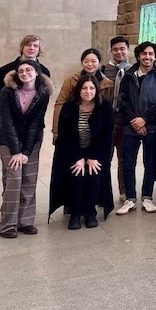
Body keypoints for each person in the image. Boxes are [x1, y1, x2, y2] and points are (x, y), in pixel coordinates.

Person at [0, 59, 53, 238]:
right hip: (7, 140)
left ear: (36, 72)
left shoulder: (43, 93)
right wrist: (17, 151)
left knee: (29, 179)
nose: (25, 73)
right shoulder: (7, 91)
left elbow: (36, 123)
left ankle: (25, 221)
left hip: (32, 140)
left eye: (29, 70)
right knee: (14, 179)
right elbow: (6, 122)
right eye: (21, 71)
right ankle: (7, 225)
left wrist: (26, 152)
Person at [49, 74, 115, 229]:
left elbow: (106, 136)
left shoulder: (104, 106)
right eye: (84, 88)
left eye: (92, 88)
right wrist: (78, 157)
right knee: (76, 173)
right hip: (73, 150)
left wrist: (93, 156)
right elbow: (65, 137)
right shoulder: (69, 107)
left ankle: (90, 212)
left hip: (96, 152)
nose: (88, 91)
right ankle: (75, 213)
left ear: (96, 90)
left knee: (93, 172)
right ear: (79, 89)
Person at [116, 41, 156, 215]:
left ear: (155, 57)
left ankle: (147, 197)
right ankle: (130, 198)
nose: (148, 57)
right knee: (128, 163)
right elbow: (123, 102)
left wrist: (144, 120)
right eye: (144, 54)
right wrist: (135, 120)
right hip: (130, 127)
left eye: (151, 54)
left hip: (152, 127)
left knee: (150, 163)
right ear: (138, 55)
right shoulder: (128, 76)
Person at [51, 48, 114, 144]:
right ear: (81, 63)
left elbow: (108, 110)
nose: (90, 64)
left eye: (93, 61)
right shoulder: (71, 81)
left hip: (96, 130)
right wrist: (56, 130)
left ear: (99, 63)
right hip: (73, 126)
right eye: (86, 61)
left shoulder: (107, 83)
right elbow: (60, 103)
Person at [0, 34, 51, 123]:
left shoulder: (44, 72)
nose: (32, 48)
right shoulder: (4, 70)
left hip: (33, 121)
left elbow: (44, 99)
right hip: (8, 119)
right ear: (22, 47)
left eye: (35, 46)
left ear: (39, 50)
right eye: (28, 45)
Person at [100, 36, 130, 200]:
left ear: (128, 50)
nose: (119, 52)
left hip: (125, 120)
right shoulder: (103, 71)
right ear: (111, 51)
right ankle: (102, 193)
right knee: (104, 158)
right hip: (107, 121)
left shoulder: (133, 71)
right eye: (116, 49)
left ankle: (124, 192)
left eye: (122, 49)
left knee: (124, 159)